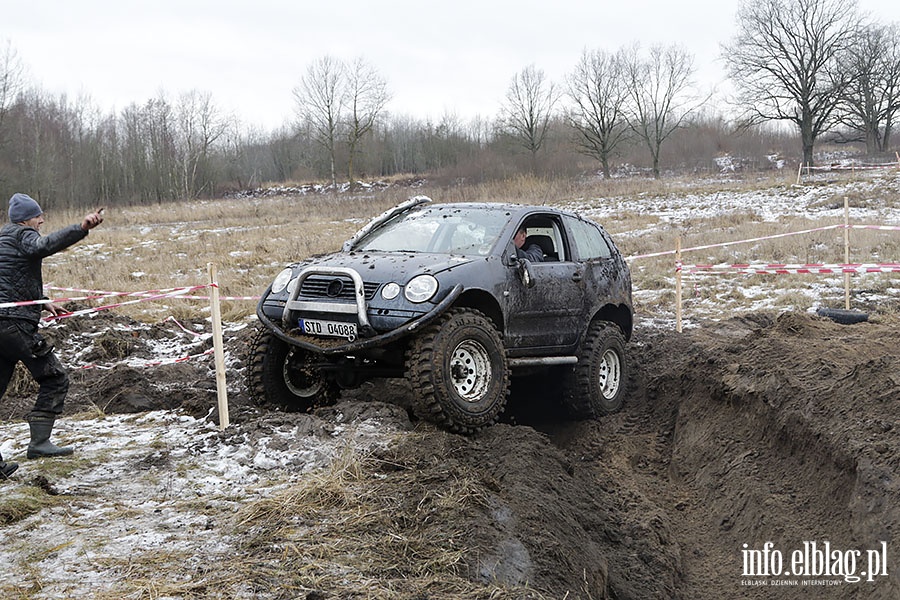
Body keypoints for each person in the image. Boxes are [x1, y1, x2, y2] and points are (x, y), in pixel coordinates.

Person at [0, 193, 103, 465]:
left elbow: (9, 278)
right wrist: (80, 229)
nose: (42, 221)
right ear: (26, 220)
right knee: (54, 378)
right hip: (16, 325)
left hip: (2, 324)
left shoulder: (3, 240)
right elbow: (44, 246)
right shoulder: (24, 236)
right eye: (38, 217)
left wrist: (42, 302)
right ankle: (40, 443)